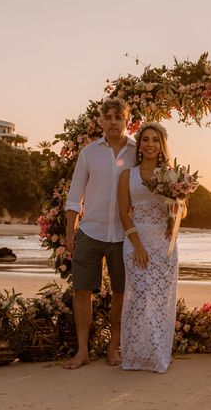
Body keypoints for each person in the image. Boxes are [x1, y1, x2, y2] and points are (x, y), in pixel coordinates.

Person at [63, 98, 136, 369]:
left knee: (121, 292)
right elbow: (74, 196)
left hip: (124, 235)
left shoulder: (137, 151)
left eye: (119, 117)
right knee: (82, 291)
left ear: (127, 121)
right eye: (109, 117)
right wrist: (71, 231)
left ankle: (113, 348)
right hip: (90, 232)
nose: (114, 121)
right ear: (101, 121)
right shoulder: (88, 153)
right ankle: (82, 351)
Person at [118, 122, 185, 373]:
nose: (150, 144)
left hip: (165, 243)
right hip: (137, 241)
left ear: (162, 145)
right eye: (145, 139)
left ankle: (157, 355)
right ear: (139, 144)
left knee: (159, 300)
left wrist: (176, 212)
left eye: (155, 140)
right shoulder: (128, 175)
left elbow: (182, 208)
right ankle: (134, 356)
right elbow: (124, 214)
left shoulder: (172, 176)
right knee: (138, 298)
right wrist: (137, 245)